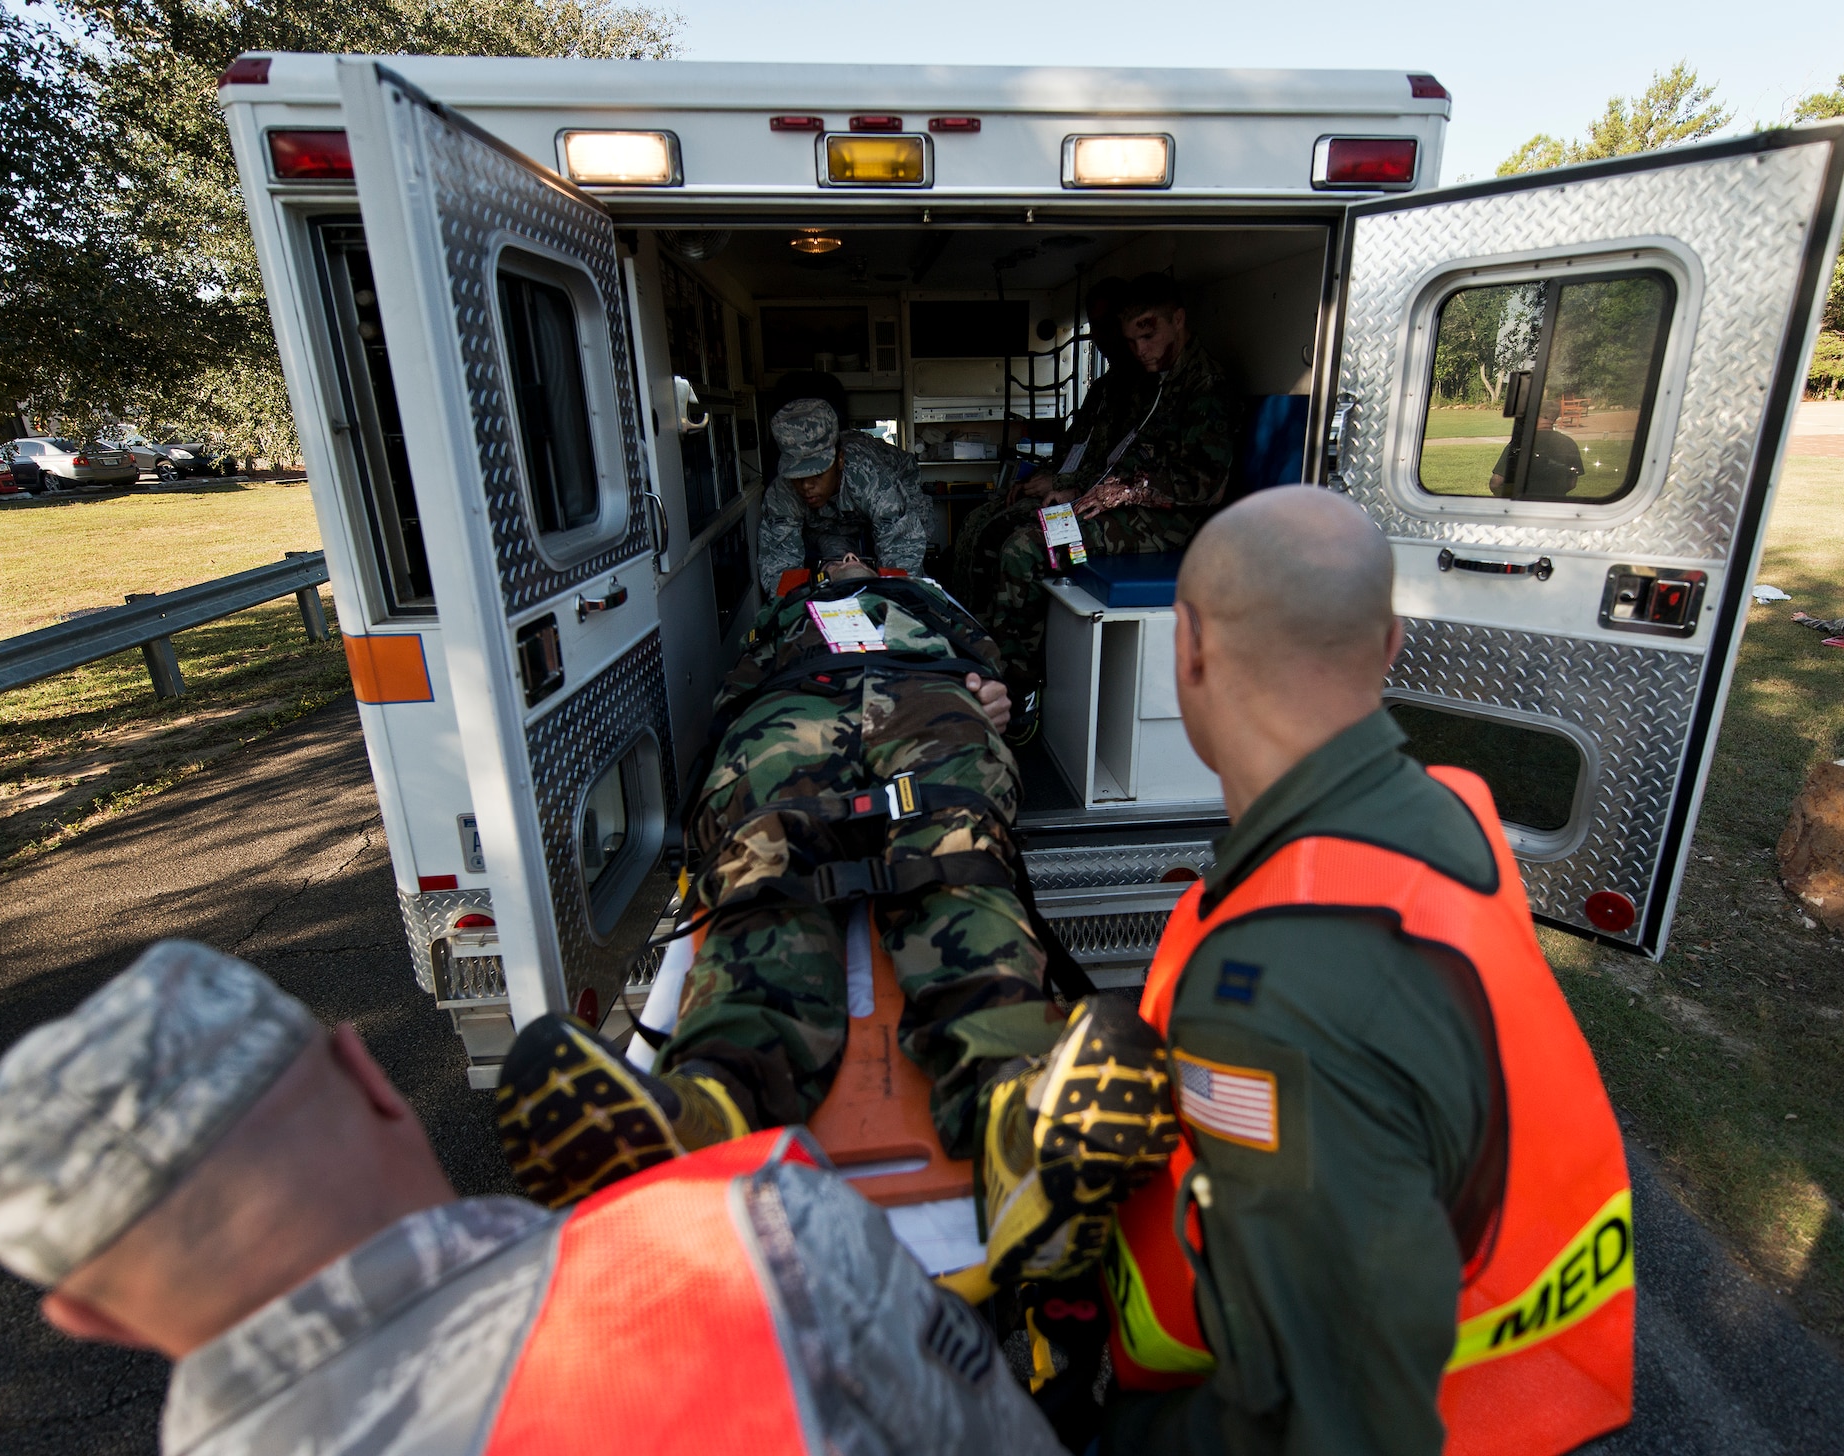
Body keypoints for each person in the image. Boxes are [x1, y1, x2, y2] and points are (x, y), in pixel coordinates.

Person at [0, 939, 1070, 1456]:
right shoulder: (748, 1239)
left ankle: (713, 1089)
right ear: (369, 1074)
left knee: (767, 926)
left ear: (85, 1319)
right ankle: (1018, 1158)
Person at [1095, 487, 1634, 1456]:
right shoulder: (1445, 816)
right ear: (1388, 644)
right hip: (1533, 1396)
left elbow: (1333, 1425)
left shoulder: (1279, 992)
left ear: (1188, 648)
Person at [491, 561, 1180, 1288]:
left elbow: (989, 656)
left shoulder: (923, 594)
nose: (846, 562)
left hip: (929, 696)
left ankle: (1013, 1110)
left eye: (858, 558)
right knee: (764, 856)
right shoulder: (786, 610)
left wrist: (992, 692)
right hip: (794, 705)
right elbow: (736, 691)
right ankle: (718, 1100)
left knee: (957, 846)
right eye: (834, 562)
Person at [987, 273, 1236, 733]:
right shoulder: (1153, 383)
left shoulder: (1203, 388)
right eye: (1132, 339)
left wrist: (1129, 490)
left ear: (1178, 320)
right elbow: (1114, 456)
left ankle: (1019, 688)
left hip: (1166, 524)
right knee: (1013, 528)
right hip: (1121, 509)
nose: (1140, 348)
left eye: (1149, 333)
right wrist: (1075, 491)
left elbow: (1207, 483)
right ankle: (1005, 655)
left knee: (1024, 550)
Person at [949, 275, 1143, 618]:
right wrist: (1045, 477)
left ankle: (1014, 653)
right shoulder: (1103, 390)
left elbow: (1119, 469)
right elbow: (1073, 450)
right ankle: (970, 622)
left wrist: (1065, 484)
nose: (1098, 337)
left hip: (1104, 506)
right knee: (977, 520)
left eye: (1105, 325)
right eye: (1093, 327)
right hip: (1072, 490)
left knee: (1011, 541)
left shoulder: (1144, 393)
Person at [756, 397, 929, 597]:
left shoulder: (871, 477)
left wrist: (894, 603)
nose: (806, 486)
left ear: (839, 460)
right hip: (834, 515)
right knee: (842, 572)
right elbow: (780, 569)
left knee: (911, 569)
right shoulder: (783, 491)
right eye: (797, 476)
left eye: (817, 474)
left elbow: (903, 550)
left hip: (899, 483)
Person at [1488, 389, 1583, 498]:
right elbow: (1572, 483)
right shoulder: (1569, 444)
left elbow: (1496, 483)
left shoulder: (1521, 443)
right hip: (1556, 506)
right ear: (1555, 418)